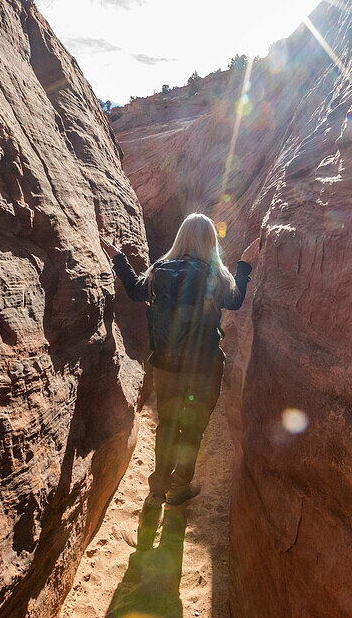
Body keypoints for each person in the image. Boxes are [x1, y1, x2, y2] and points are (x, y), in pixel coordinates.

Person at [100, 213, 259, 505]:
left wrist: (119, 257)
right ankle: (180, 487)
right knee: (194, 428)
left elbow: (136, 291)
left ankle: (158, 489)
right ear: (210, 241)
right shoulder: (216, 275)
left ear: (181, 237)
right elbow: (235, 301)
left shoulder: (160, 270)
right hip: (204, 365)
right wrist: (246, 265)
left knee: (168, 425)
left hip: (167, 365)